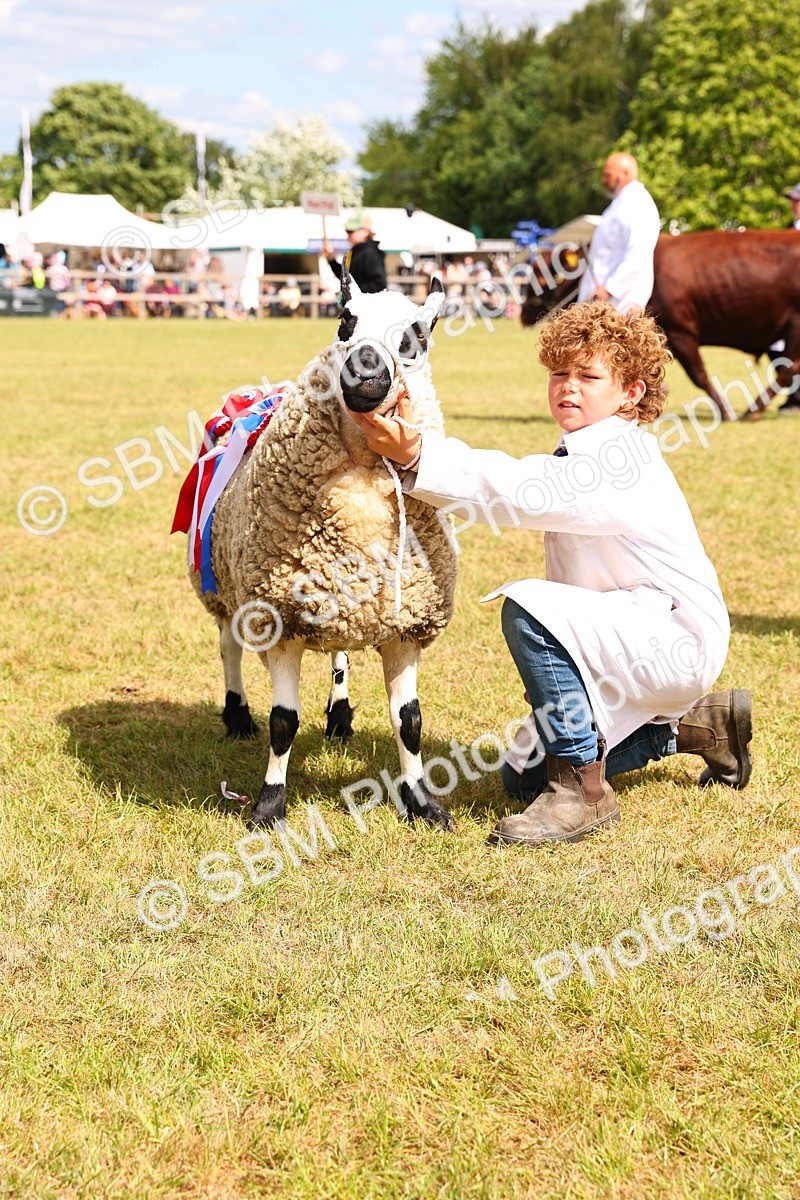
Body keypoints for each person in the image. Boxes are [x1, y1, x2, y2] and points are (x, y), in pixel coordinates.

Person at [348, 302, 751, 847]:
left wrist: (419, 452)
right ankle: (702, 726)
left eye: (589, 376)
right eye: (560, 372)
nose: (568, 386)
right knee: (520, 778)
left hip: (672, 640)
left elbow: (521, 489)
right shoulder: (588, 446)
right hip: (629, 635)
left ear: (632, 392)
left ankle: (582, 794)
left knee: (527, 608)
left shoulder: (619, 460)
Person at [577, 152, 660, 311]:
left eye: (608, 175)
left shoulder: (638, 203)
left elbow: (638, 253)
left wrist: (610, 289)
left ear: (625, 174)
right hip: (604, 302)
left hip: (619, 302)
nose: (604, 180)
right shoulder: (621, 203)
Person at [323, 209, 387, 293]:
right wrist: (331, 259)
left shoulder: (370, 253)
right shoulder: (355, 252)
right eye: (347, 230)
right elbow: (346, 278)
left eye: (351, 231)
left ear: (365, 231)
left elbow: (379, 284)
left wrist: (351, 291)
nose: (348, 234)